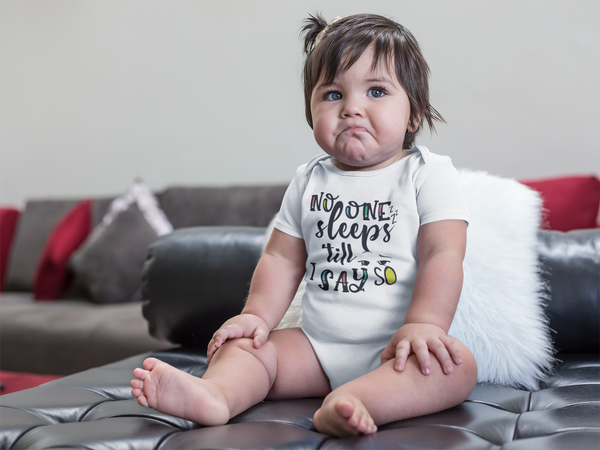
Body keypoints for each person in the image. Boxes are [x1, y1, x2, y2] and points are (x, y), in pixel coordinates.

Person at [131, 13, 478, 437]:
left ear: (413, 114)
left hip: (394, 349)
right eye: (333, 94)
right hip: (313, 347)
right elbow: (280, 258)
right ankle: (216, 395)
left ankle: (356, 401)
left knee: (457, 367)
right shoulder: (310, 179)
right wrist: (256, 315)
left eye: (376, 91)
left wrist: (426, 323)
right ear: (311, 111)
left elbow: (443, 253)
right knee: (247, 348)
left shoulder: (428, 173)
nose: (352, 107)